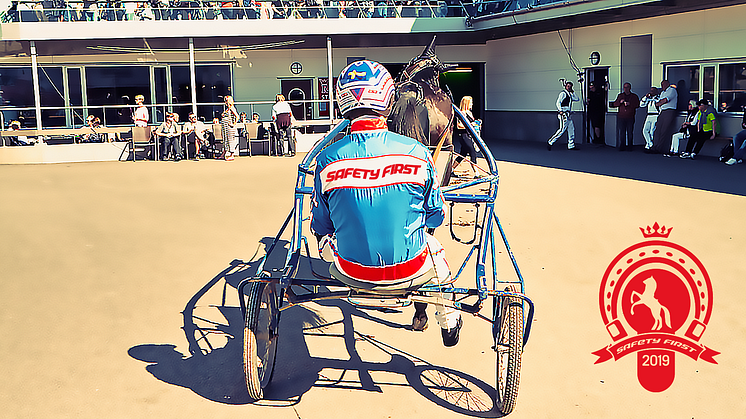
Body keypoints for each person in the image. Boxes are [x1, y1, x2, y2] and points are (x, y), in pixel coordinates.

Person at [311, 60, 463, 347]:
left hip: (349, 270)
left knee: (326, 238)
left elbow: (321, 225)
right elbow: (435, 216)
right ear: (388, 100)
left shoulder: (326, 159)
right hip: (410, 268)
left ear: (342, 100)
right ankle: (449, 319)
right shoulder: (417, 153)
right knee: (436, 250)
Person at [451, 95, 481, 178]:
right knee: (472, 152)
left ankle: (451, 170)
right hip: (464, 136)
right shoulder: (462, 113)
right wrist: (470, 125)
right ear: (466, 103)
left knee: (463, 154)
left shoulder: (469, 113)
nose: (472, 104)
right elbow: (458, 125)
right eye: (471, 103)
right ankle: (476, 173)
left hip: (469, 135)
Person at [546, 81, 579, 151]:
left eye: (570, 86)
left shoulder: (570, 95)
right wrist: (560, 110)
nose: (569, 88)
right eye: (568, 86)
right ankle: (550, 142)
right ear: (565, 86)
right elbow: (558, 102)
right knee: (562, 130)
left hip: (569, 114)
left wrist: (573, 92)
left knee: (571, 129)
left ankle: (571, 145)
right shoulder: (563, 93)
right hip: (563, 113)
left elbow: (577, 99)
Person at [649, 79, 678, 154]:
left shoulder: (672, 90)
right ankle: (654, 146)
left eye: (664, 84)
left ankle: (659, 148)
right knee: (657, 130)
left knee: (664, 130)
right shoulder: (662, 92)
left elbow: (665, 100)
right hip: (662, 111)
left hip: (669, 110)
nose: (662, 86)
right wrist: (660, 103)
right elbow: (658, 102)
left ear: (668, 84)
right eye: (661, 85)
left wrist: (660, 103)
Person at [610, 82, 640, 151]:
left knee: (630, 132)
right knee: (622, 132)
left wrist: (630, 104)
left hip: (630, 116)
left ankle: (630, 146)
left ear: (630, 88)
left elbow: (637, 105)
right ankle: (622, 146)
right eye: (624, 87)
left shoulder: (634, 96)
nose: (626, 89)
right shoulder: (620, 95)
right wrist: (620, 102)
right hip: (621, 117)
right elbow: (614, 104)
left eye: (627, 87)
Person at [586, 80, 607, 144]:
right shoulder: (590, 93)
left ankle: (599, 139)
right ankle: (596, 138)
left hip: (599, 112)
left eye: (592, 87)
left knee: (598, 126)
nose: (591, 89)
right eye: (590, 87)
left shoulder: (600, 92)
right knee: (594, 126)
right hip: (592, 112)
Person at [639, 86, 659, 150]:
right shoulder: (648, 98)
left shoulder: (659, 98)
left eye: (653, 91)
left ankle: (650, 145)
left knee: (652, 131)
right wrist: (646, 97)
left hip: (655, 115)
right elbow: (641, 104)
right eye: (651, 91)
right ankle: (649, 143)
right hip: (649, 115)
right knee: (645, 130)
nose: (651, 92)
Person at [221, 95, 240, 161]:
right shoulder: (227, 109)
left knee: (230, 140)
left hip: (230, 128)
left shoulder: (232, 108)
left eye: (227, 100)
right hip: (225, 127)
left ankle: (232, 155)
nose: (226, 102)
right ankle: (224, 154)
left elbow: (237, 117)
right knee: (225, 140)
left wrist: (233, 124)